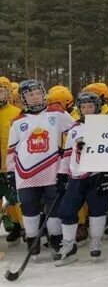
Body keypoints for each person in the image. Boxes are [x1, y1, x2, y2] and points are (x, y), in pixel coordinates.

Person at [6, 80, 73, 258]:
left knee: (53, 205)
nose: (35, 97)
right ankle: (32, 239)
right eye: (30, 94)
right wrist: (11, 173)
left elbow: (75, 130)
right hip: (25, 173)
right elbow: (11, 150)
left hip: (52, 169)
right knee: (29, 206)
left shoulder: (57, 112)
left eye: (37, 93)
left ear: (43, 94)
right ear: (23, 98)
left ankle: (56, 239)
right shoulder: (17, 121)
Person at [55, 92, 108, 264]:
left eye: (90, 106)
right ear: (79, 109)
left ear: (97, 107)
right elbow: (66, 154)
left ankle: (95, 241)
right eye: (83, 107)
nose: (87, 109)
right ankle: (68, 244)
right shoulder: (74, 129)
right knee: (67, 211)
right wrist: (61, 175)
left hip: (97, 175)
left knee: (97, 210)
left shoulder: (105, 126)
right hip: (76, 176)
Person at [0, 76, 23, 247]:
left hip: (12, 166)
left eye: (2, 91)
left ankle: (19, 227)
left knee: (16, 201)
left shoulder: (16, 113)